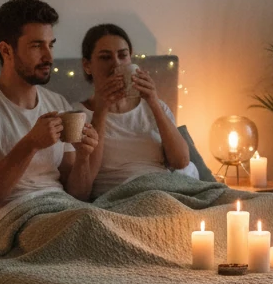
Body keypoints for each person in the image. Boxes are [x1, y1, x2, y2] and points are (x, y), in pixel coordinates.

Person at [0, 0, 101, 233]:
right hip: (11, 223)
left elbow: (79, 194)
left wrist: (83, 157)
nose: (49, 57)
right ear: (6, 50)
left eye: (50, 45)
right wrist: (30, 144)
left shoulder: (57, 103)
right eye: (36, 46)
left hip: (62, 211)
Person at [76, 23, 195, 199]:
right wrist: (101, 110)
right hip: (119, 199)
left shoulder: (155, 107)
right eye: (105, 57)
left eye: (122, 56)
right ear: (87, 65)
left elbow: (181, 161)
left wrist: (153, 101)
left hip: (165, 190)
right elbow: (83, 188)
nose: (116, 63)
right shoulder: (78, 115)